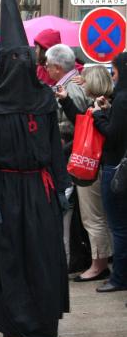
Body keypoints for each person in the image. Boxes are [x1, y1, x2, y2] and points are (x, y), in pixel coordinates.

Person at [0, 0, 70, 337]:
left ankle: (43, 323)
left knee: (45, 256)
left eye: (24, 59)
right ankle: (13, 327)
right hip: (7, 192)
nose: (19, 64)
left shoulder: (44, 99)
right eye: (12, 59)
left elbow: (52, 148)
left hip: (41, 190)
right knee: (11, 260)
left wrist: (62, 186)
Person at [55, 65, 113, 281]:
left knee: (93, 218)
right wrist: (66, 100)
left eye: (85, 80)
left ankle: (99, 266)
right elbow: (82, 123)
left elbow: (85, 131)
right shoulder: (101, 104)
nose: (82, 83)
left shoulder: (100, 107)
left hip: (93, 169)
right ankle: (100, 262)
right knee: (98, 218)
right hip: (98, 167)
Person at [46, 43, 90, 267]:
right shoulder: (69, 84)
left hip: (72, 153)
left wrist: (64, 144)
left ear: (57, 67)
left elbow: (81, 124)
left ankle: (72, 258)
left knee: (72, 210)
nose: (45, 68)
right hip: (69, 151)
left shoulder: (71, 88)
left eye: (48, 64)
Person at [92, 53, 127, 293]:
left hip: (116, 168)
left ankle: (120, 278)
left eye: (113, 72)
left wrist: (98, 116)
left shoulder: (123, 99)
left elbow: (113, 135)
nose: (112, 78)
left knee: (118, 227)